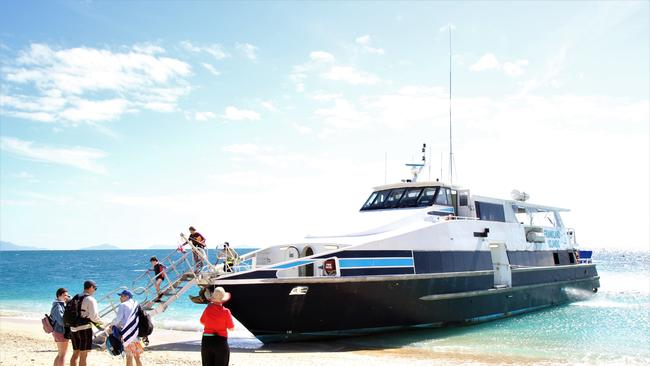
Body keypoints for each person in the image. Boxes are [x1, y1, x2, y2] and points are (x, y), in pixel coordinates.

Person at [70, 280, 103, 366]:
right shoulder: (90, 299)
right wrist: (101, 323)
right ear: (91, 287)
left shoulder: (76, 297)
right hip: (84, 329)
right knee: (83, 355)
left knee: (75, 353)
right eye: (95, 288)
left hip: (73, 328)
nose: (95, 290)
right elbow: (94, 317)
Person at [107, 290, 144, 366]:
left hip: (127, 334)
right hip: (136, 333)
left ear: (127, 296)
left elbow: (119, 318)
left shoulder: (123, 305)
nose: (120, 298)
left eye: (122, 296)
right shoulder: (136, 305)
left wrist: (111, 324)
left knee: (129, 356)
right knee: (137, 357)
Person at [200, 287, 234, 366]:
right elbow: (231, 328)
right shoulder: (226, 312)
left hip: (206, 340)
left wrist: (211, 324)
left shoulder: (208, 309)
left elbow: (202, 321)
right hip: (220, 341)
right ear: (223, 299)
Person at [50, 288, 70, 366]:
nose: (66, 297)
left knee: (60, 354)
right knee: (63, 355)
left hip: (58, 331)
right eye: (64, 295)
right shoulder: (57, 306)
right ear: (59, 296)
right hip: (60, 331)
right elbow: (61, 321)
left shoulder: (60, 304)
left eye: (67, 295)